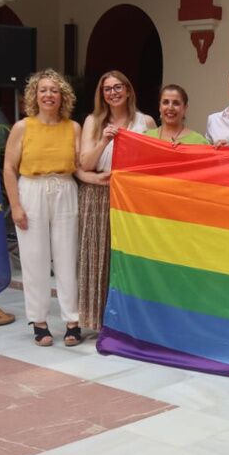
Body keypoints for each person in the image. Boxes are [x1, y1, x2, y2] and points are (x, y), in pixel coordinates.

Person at [2, 69, 87, 347]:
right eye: (43, 90)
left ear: (63, 96)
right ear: (34, 96)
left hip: (65, 188)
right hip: (31, 190)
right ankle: (39, 321)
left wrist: (101, 178)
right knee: (34, 258)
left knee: (67, 256)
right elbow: (9, 168)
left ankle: (72, 321)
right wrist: (15, 205)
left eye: (54, 90)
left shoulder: (73, 127)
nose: (49, 95)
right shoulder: (22, 127)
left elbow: (80, 167)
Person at [77, 71, 155, 332]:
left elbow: (154, 163)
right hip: (98, 194)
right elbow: (85, 163)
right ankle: (96, 320)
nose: (113, 92)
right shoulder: (92, 121)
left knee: (127, 258)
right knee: (98, 256)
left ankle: (127, 320)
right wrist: (104, 140)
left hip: (131, 198)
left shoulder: (146, 122)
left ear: (129, 90)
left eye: (118, 87)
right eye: (107, 89)